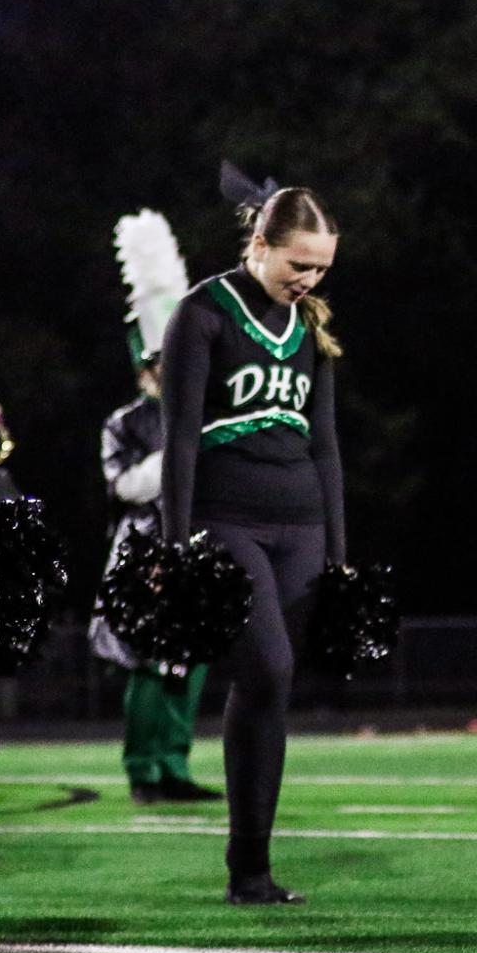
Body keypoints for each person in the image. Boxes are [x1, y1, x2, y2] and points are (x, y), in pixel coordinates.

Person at [159, 174, 343, 904]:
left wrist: (338, 552)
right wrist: (174, 547)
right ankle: (246, 862)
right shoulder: (203, 313)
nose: (308, 278)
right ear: (259, 244)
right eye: (297, 263)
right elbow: (177, 438)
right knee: (263, 666)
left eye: (321, 267)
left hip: (301, 521)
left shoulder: (309, 326)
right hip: (225, 517)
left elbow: (325, 445)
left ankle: (253, 871)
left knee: (276, 684)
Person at [90, 359, 223, 804]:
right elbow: (126, 486)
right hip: (144, 549)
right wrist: (180, 444)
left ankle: (175, 767)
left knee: (191, 661)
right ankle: (143, 770)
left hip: (195, 545)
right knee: (147, 663)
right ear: (146, 370)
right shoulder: (123, 423)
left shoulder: (205, 415)